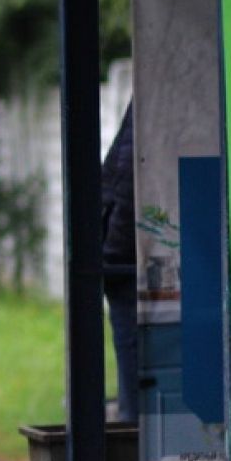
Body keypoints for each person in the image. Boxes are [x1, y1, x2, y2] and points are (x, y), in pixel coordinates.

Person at [99, 103, 137, 422]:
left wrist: (110, 250)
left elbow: (123, 174)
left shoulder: (153, 90)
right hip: (125, 259)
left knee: (137, 402)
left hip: (125, 259)